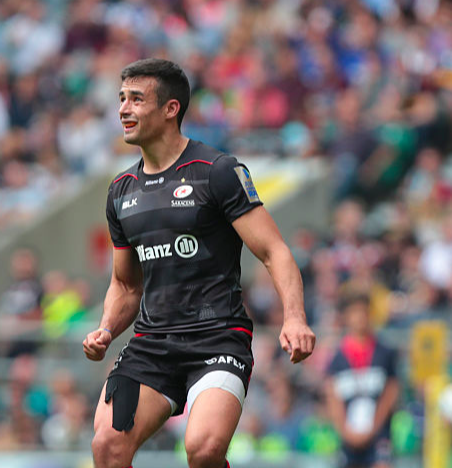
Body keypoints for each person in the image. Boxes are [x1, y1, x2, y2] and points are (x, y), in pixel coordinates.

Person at [82, 58, 316, 468]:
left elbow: (274, 251)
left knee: (204, 449)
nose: (123, 109)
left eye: (136, 99)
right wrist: (105, 329)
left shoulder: (217, 171)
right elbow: (126, 285)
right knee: (107, 446)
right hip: (152, 345)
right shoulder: (120, 191)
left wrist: (294, 318)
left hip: (217, 339)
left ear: (170, 109)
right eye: (121, 99)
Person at [324, 291, 400, 468]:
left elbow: (391, 392)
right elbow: (332, 395)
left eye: (363, 312)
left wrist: (373, 428)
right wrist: (345, 431)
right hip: (348, 438)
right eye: (354, 312)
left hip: (379, 435)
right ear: (346, 317)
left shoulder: (384, 353)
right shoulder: (338, 357)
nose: (360, 318)